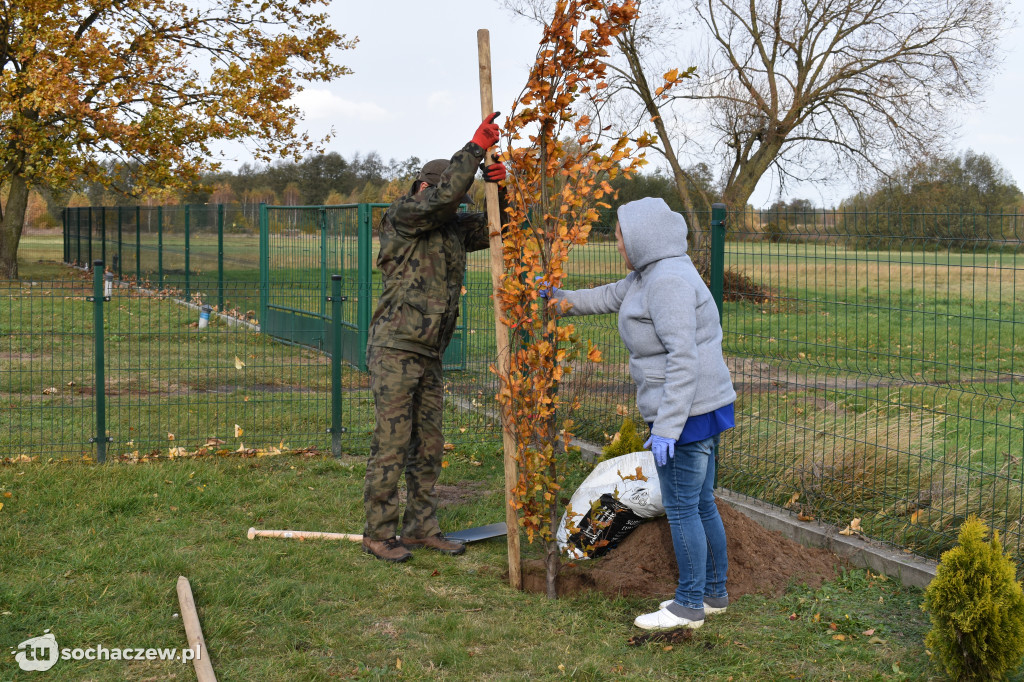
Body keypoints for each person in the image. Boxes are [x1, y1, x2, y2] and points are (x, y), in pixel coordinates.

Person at [549, 197, 736, 630]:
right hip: (701, 407)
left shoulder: (667, 282)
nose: (616, 243)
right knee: (702, 502)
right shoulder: (647, 275)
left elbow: (683, 359)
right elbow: (608, 295)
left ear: (641, 237)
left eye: (619, 235)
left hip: (685, 412)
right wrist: (560, 300)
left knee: (683, 506)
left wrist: (668, 428)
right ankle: (714, 592)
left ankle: (689, 605)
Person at [361, 113, 507, 563]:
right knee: (392, 443)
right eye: (453, 194)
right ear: (427, 188)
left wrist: (502, 191)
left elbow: (501, 227)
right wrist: (475, 149)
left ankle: (421, 527)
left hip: (429, 353)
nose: (459, 204)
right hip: (395, 348)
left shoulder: (450, 229)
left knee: (428, 445)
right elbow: (443, 201)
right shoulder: (403, 215)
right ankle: (379, 533)